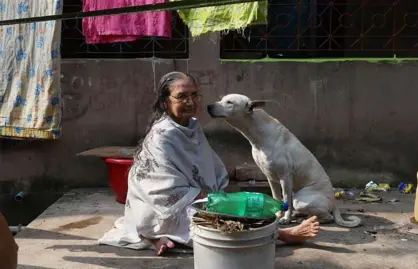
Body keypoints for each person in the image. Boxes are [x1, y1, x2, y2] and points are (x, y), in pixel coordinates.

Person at [98, 71, 320, 256]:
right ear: (166, 102)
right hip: (161, 207)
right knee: (228, 222)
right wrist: (213, 200)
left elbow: (207, 166)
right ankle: (282, 234)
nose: (191, 102)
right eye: (182, 96)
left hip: (188, 197)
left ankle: (159, 238)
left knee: (239, 207)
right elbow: (162, 190)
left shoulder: (191, 126)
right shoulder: (163, 135)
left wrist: (217, 196)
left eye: (195, 95)